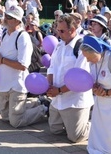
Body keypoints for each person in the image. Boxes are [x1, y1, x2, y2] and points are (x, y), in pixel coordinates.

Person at [0, 5, 47, 128]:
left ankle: (44, 109)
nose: (6, 19)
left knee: (16, 121)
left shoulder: (23, 37)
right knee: (5, 117)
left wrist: (2, 60)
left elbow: (23, 65)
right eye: (6, 16)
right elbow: (3, 54)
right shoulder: (6, 35)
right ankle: (34, 103)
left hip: (16, 84)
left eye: (10, 17)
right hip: (4, 83)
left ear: (17, 21)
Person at [45, 14, 93, 143]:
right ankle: (71, 123)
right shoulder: (59, 46)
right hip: (58, 97)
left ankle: (100, 125)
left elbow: (78, 80)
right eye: (57, 30)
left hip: (74, 99)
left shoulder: (82, 47)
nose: (58, 34)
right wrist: (48, 84)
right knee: (55, 130)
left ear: (72, 30)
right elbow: (52, 67)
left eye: (61, 31)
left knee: (76, 137)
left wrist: (59, 90)